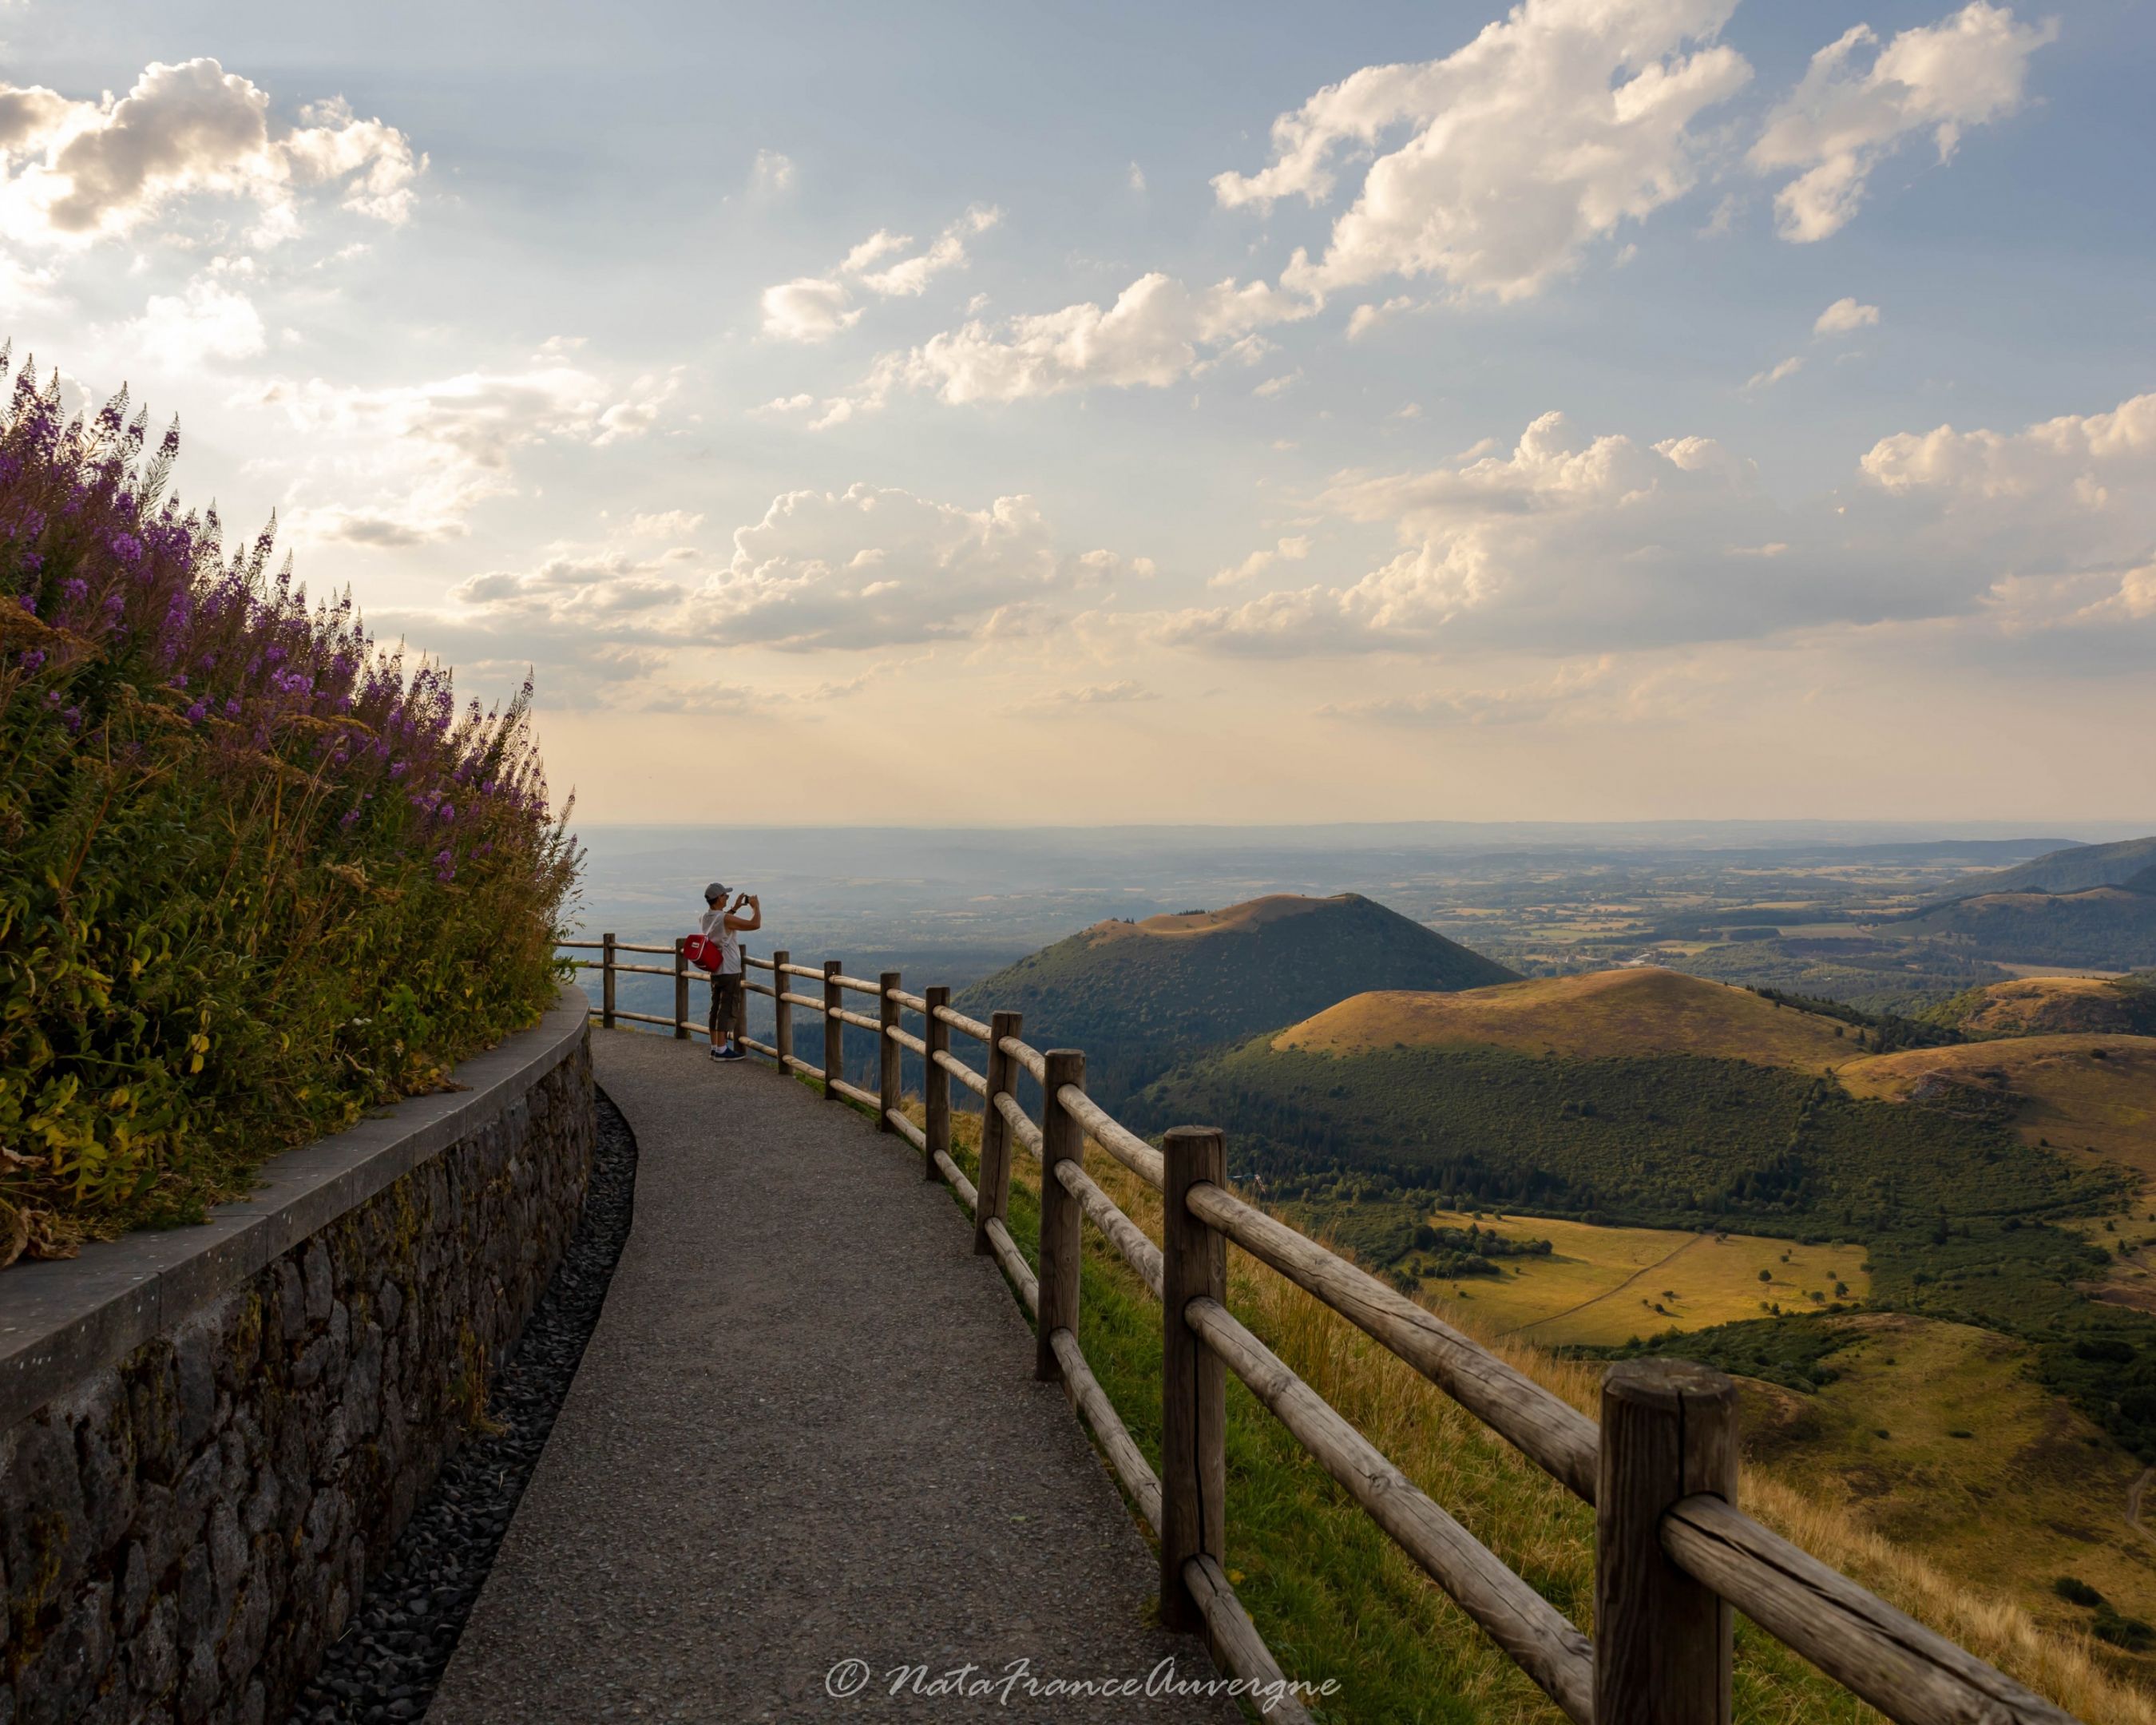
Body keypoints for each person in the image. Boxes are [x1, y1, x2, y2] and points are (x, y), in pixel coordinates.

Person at [700, 882, 761, 1061]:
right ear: (719, 898)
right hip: (729, 969)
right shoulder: (724, 919)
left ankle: (715, 1047)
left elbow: (722, 923)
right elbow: (754, 924)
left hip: (715, 968)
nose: (727, 898)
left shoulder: (705, 917)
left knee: (716, 1008)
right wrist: (755, 907)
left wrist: (734, 908)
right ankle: (721, 1050)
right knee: (726, 1009)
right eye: (725, 896)